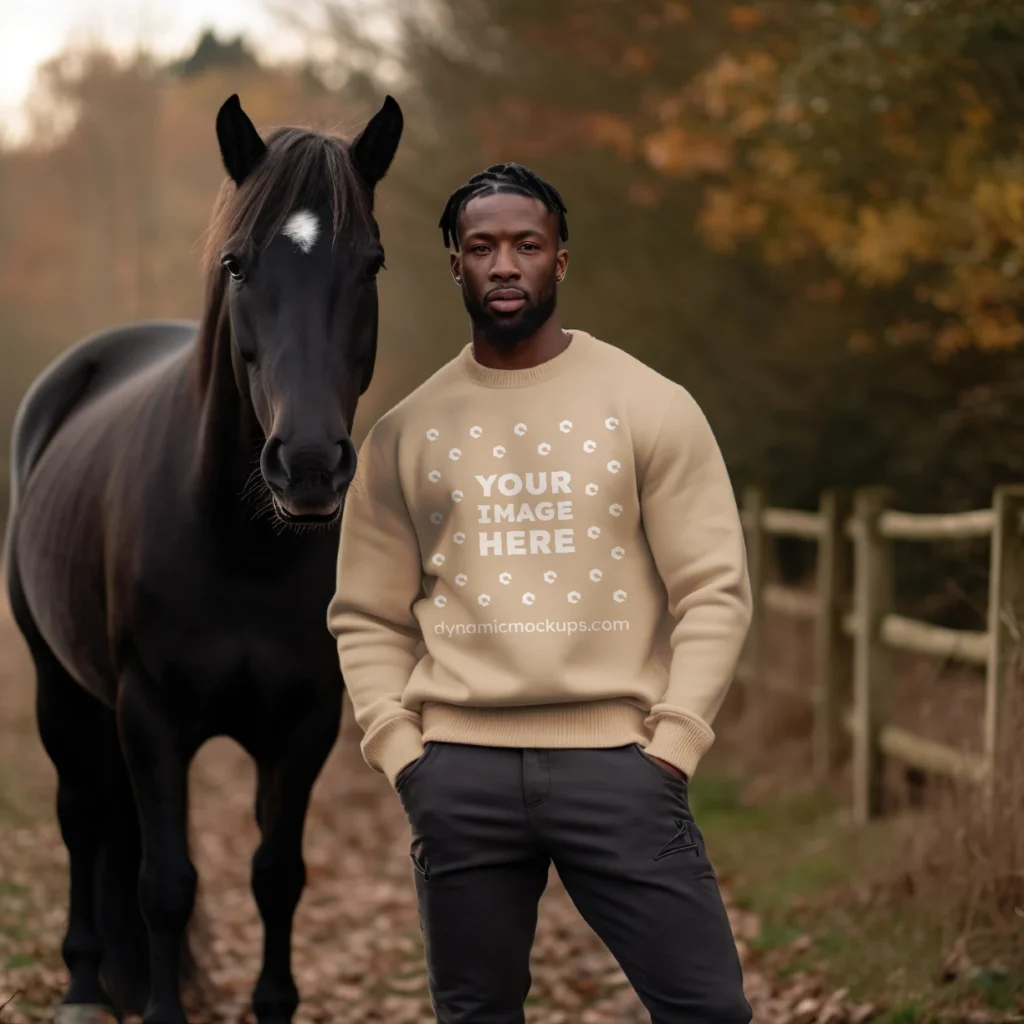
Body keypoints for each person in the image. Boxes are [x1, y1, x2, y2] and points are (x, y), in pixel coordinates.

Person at [327, 162, 754, 1024]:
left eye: (528, 245)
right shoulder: (404, 433)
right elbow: (365, 615)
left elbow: (713, 589)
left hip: (623, 769)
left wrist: (674, 745)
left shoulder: (650, 406)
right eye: (482, 248)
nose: (506, 265)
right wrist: (403, 753)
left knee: (710, 1012)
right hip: (459, 777)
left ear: (562, 260)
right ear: (454, 263)